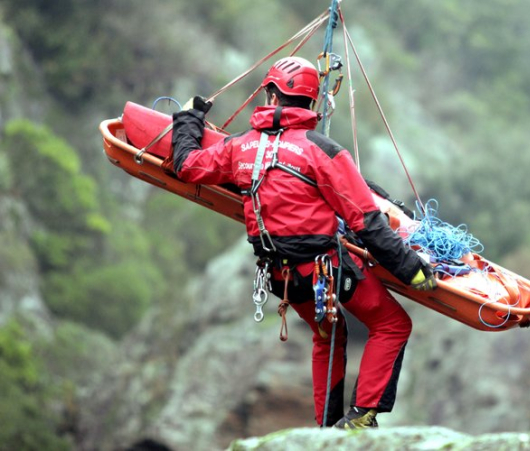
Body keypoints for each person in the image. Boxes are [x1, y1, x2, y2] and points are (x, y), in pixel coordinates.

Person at [166, 56, 437, 429]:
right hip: (327, 270)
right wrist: (412, 271)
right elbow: (367, 221)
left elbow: (187, 165)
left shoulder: (239, 148)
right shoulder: (321, 151)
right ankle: (360, 416)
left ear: (273, 97)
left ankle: (327, 426)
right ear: (311, 103)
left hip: (281, 277)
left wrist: (187, 120)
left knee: (329, 334)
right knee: (392, 324)